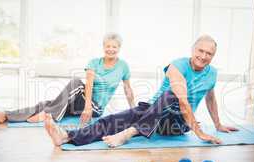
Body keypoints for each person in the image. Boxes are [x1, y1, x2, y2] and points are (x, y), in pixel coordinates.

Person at [44, 35, 238, 147]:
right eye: (200, 51)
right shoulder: (177, 66)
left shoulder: (212, 74)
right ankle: (67, 137)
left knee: (171, 97)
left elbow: (209, 98)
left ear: (213, 56)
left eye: (209, 53)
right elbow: (184, 100)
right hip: (153, 112)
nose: (203, 56)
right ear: (193, 49)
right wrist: (200, 132)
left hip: (176, 124)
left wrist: (216, 125)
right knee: (113, 120)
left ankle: (129, 133)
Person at [0, 33, 135, 126]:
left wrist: (134, 109)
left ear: (119, 48)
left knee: (75, 84)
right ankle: (5, 115)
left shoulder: (123, 66)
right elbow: (88, 84)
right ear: (103, 46)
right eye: (108, 46)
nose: (110, 49)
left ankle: (49, 114)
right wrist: (86, 105)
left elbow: (127, 88)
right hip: (85, 102)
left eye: (114, 47)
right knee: (47, 103)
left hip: (96, 108)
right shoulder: (94, 62)